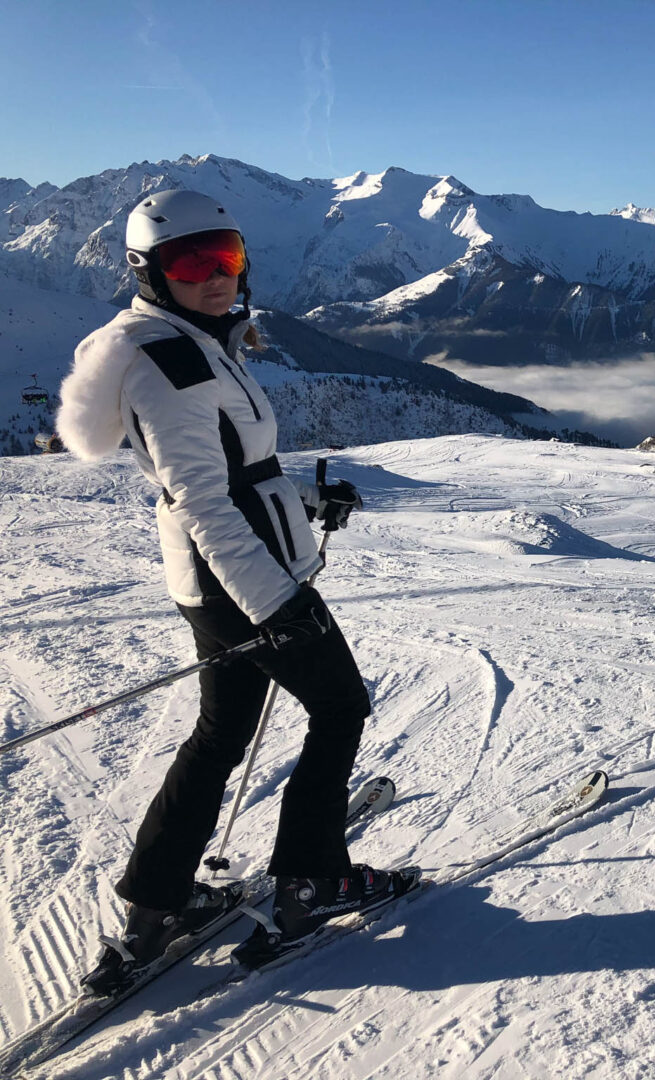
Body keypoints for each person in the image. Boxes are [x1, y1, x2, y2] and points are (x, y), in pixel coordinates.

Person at [56, 189, 418, 994]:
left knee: (221, 736)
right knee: (340, 706)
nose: (218, 276)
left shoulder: (189, 339)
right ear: (147, 271)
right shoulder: (174, 361)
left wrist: (302, 502)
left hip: (225, 572)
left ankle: (155, 907)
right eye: (193, 262)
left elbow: (230, 470)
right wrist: (274, 603)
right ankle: (311, 883)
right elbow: (202, 498)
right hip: (247, 577)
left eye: (229, 256)